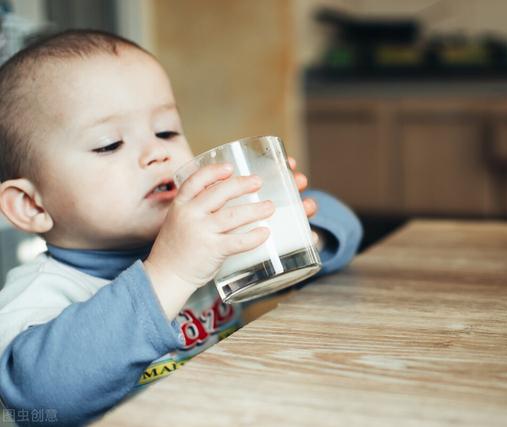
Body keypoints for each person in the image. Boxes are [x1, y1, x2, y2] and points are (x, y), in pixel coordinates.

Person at [0, 30, 362, 425]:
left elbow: (346, 223)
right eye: (109, 144)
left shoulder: (207, 243)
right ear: (31, 205)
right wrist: (171, 272)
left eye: (167, 131)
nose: (158, 152)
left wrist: (298, 231)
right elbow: (38, 398)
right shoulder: (39, 297)